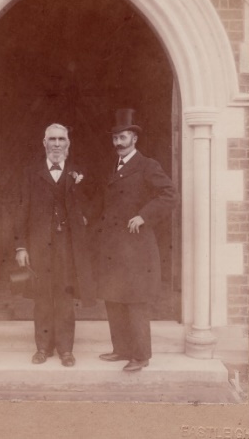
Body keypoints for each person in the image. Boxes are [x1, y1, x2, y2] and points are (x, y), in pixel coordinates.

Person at [92, 109, 178, 372]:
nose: (119, 142)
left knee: (135, 300)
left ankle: (141, 355)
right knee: (114, 297)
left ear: (134, 139)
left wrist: (143, 216)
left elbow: (169, 195)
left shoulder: (147, 165)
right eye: (116, 137)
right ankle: (121, 349)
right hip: (113, 247)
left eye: (124, 137)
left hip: (136, 246)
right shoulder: (114, 167)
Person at [14, 123, 96, 367]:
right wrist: (20, 246)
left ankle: (66, 349)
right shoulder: (30, 173)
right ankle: (42, 347)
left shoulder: (77, 172)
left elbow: (94, 200)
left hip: (67, 247)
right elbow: (21, 210)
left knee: (65, 297)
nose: (57, 144)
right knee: (42, 297)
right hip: (39, 245)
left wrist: (84, 216)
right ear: (44, 143)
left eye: (62, 139)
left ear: (68, 144)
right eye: (53, 139)